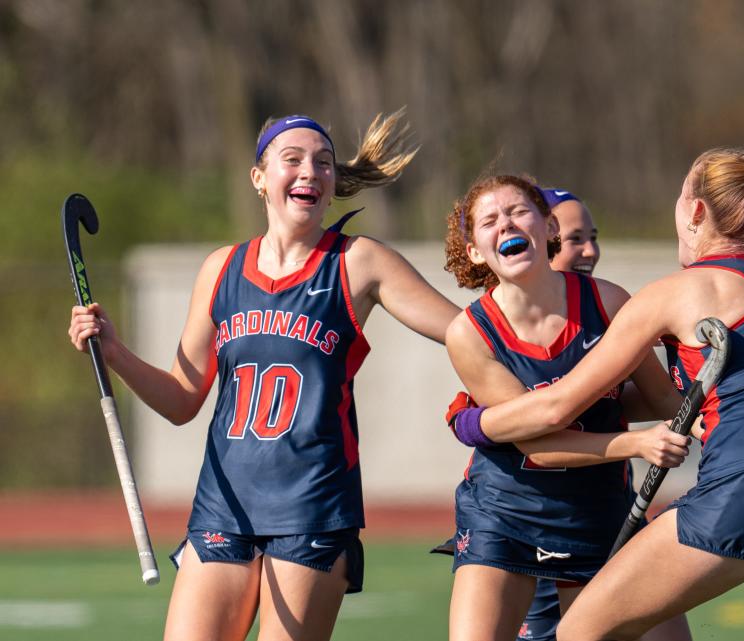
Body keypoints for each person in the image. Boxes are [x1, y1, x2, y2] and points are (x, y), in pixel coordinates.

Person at [459, 148, 744, 641]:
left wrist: (474, 423)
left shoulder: (676, 291)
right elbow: (683, 397)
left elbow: (558, 406)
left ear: (696, 212)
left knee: (581, 630)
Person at [68, 111, 460, 641]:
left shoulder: (357, 262)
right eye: (292, 160)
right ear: (259, 177)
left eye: (323, 163)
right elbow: (183, 398)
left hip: (314, 507)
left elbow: (463, 333)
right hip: (223, 505)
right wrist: (114, 352)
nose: (310, 172)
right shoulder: (222, 268)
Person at [440, 174, 692, 641]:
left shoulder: (609, 301)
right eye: (489, 221)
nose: (506, 224)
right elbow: (540, 447)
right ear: (474, 250)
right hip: (506, 512)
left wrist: (714, 370)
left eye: (517, 212)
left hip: (599, 512)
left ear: (546, 225)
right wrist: (636, 443)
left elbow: (661, 398)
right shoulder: (470, 333)